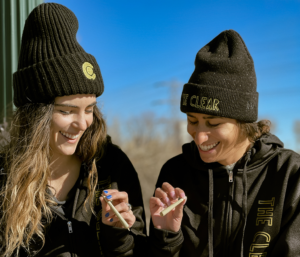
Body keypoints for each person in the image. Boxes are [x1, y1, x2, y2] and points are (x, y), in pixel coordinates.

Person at [0, 3, 146, 257]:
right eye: (66, 111)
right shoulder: (5, 176)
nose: (82, 124)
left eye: (89, 109)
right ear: (36, 114)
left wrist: (118, 234)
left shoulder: (112, 166)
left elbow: (139, 249)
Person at [149, 29, 300, 257]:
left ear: (244, 121)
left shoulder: (289, 174)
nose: (199, 137)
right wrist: (166, 237)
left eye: (213, 123)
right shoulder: (176, 172)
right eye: (192, 120)